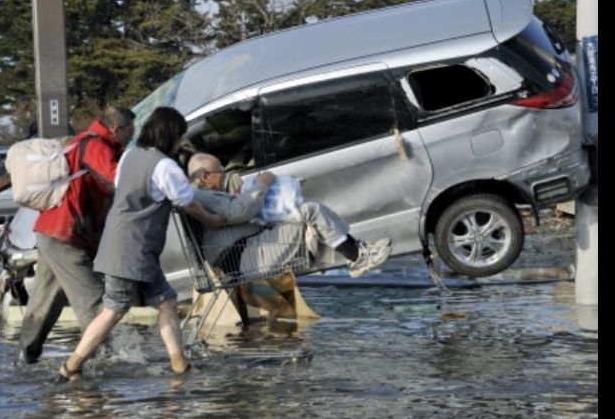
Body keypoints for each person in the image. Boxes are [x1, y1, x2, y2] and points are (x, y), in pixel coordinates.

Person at [58, 107, 225, 381]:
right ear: (170, 134)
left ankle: (179, 363)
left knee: (167, 301)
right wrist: (211, 218)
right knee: (114, 309)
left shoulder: (130, 156)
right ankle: (71, 365)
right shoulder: (164, 165)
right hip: (132, 248)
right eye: (180, 135)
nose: (181, 141)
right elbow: (186, 201)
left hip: (126, 243)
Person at [17, 106, 135, 364]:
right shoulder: (96, 146)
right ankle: (109, 359)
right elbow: (117, 179)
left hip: (52, 231)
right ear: (116, 130)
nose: (131, 138)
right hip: (67, 236)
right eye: (129, 132)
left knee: (44, 301)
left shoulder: (81, 141)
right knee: (93, 300)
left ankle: (25, 357)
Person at [187, 153, 392, 279]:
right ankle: (357, 257)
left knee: (302, 213)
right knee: (308, 211)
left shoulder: (201, 195)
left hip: (244, 253)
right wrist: (262, 185)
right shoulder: (202, 195)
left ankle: (356, 254)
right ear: (205, 176)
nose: (224, 174)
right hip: (242, 259)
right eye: (220, 170)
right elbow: (239, 212)